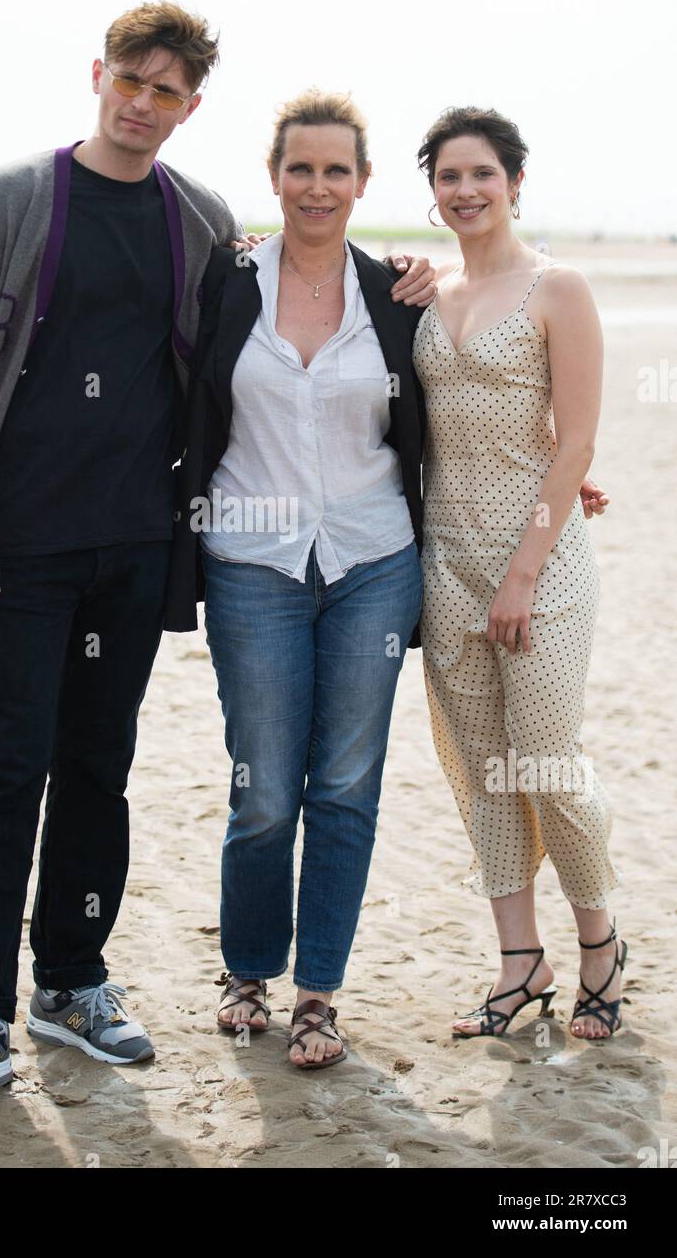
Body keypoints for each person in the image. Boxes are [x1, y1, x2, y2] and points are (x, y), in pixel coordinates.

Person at [0, 6, 434, 1104]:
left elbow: (245, 349)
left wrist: (420, 287)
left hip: (138, 548)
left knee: (99, 772)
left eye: (167, 92)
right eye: (129, 82)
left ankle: (74, 981)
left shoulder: (197, 219)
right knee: (4, 772)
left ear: (191, 107)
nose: (142, 105)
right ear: (97, 76)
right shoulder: (14, 198)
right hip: (15, 544)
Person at [165, 89, 439, 1068]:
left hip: (373, 564)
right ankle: (247, 967)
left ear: (362, 183)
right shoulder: (226, 284)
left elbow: (478, 395)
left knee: (345, 787)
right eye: (299, 168)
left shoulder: (396, 296)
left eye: (335, 170)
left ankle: (317, 991)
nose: (316, 186)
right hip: (253, 565)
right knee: (266, 786)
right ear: (274, 177)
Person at [411, 107, 626, 1041]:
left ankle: (601, 945)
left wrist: (524, 573)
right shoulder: (425, 291)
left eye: (482, 176)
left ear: (514, 183)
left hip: (536, 565)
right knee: (480, 768)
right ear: (432, 193)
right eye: (448, 178)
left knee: (544, 757)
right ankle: (517, 965)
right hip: (443, 559)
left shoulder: (557, 287)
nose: (465, 192)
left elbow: (576, 438)